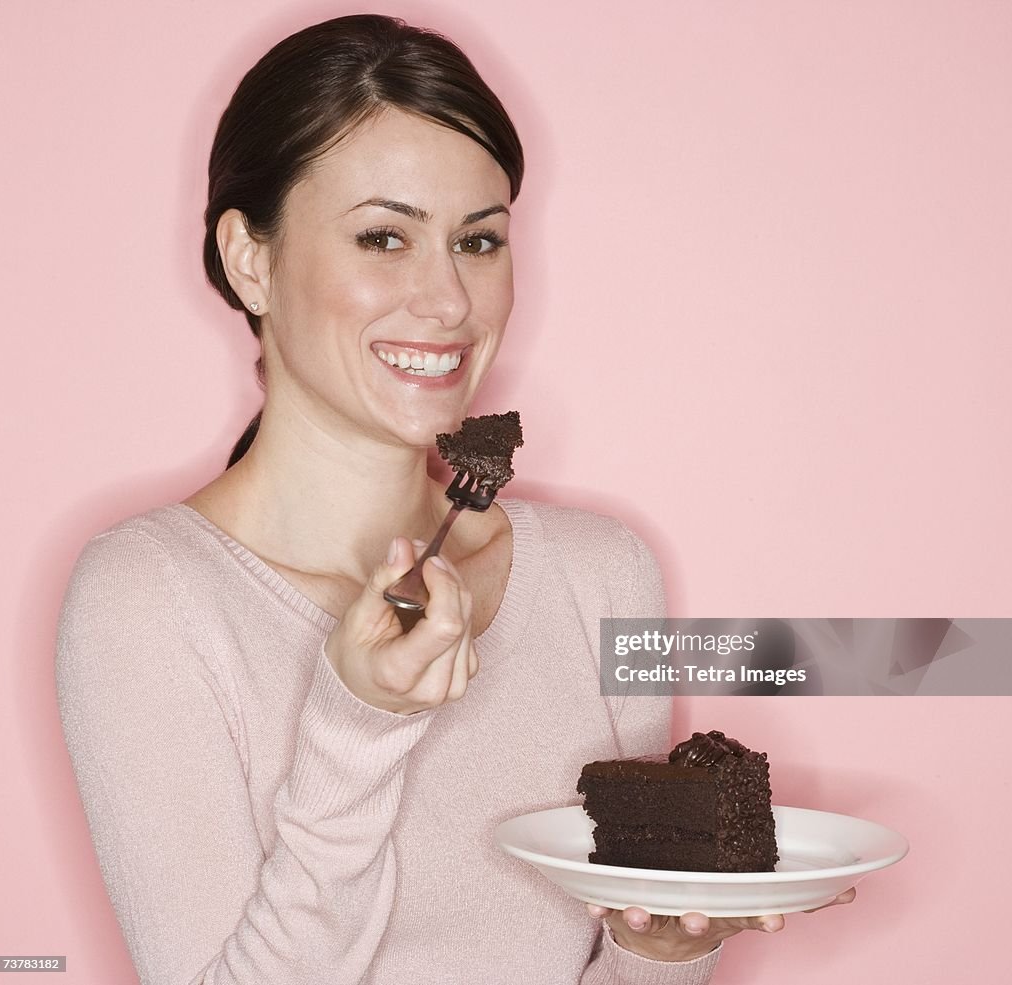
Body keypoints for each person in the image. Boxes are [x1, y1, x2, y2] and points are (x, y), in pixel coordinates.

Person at [55, 14, 852, 984]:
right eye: (384, 237)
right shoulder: (146, 601)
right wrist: (353, 720)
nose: (447, 301)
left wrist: (657, 945)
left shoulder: (603, 575)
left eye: (478, 242)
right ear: (249, 260)